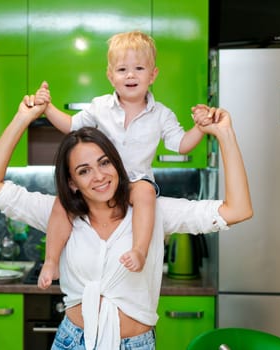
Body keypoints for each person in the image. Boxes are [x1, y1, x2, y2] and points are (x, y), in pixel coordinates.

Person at [0, 96, 252, 349]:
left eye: (105, 163)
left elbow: (238, 210)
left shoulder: (153, 212)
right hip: (72, 341)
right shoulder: (58, 212)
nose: (99, 176)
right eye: (84, 171)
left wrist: (224, 134)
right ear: (72, 182)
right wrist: (23, 118)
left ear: (117, 164)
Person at [31, 31, 212, 289]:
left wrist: (201, 128)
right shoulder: (99, 106)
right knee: (63, 203)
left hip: (136, 181)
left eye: (139, 68)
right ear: (110, 75)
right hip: (103, 182)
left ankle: (139, 250)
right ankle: (51, 261)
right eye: (122, 69)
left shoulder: (161, 114)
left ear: (153, 75)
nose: (130, 75)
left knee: (146, 193)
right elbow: (72, 126)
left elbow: (180, 144)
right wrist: (47, 108)